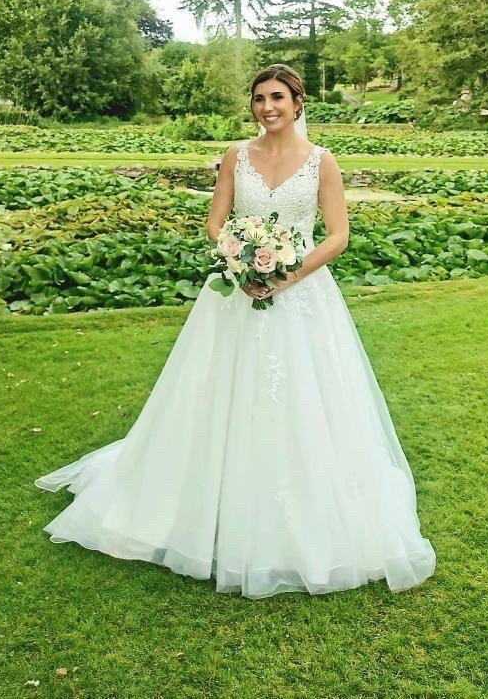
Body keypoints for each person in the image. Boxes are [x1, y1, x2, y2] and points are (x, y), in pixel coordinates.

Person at [34, 63, 436, 599]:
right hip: (236, 294)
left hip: (303, 297)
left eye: (278, 97)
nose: (267, 107)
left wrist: (286, 275)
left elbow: (338, 235)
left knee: (306, 397)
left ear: (298, 103)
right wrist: (239, 257)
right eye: (259, 98)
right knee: (215, 390)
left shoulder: (322, 161)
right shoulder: (235, 156)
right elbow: (214, 221)